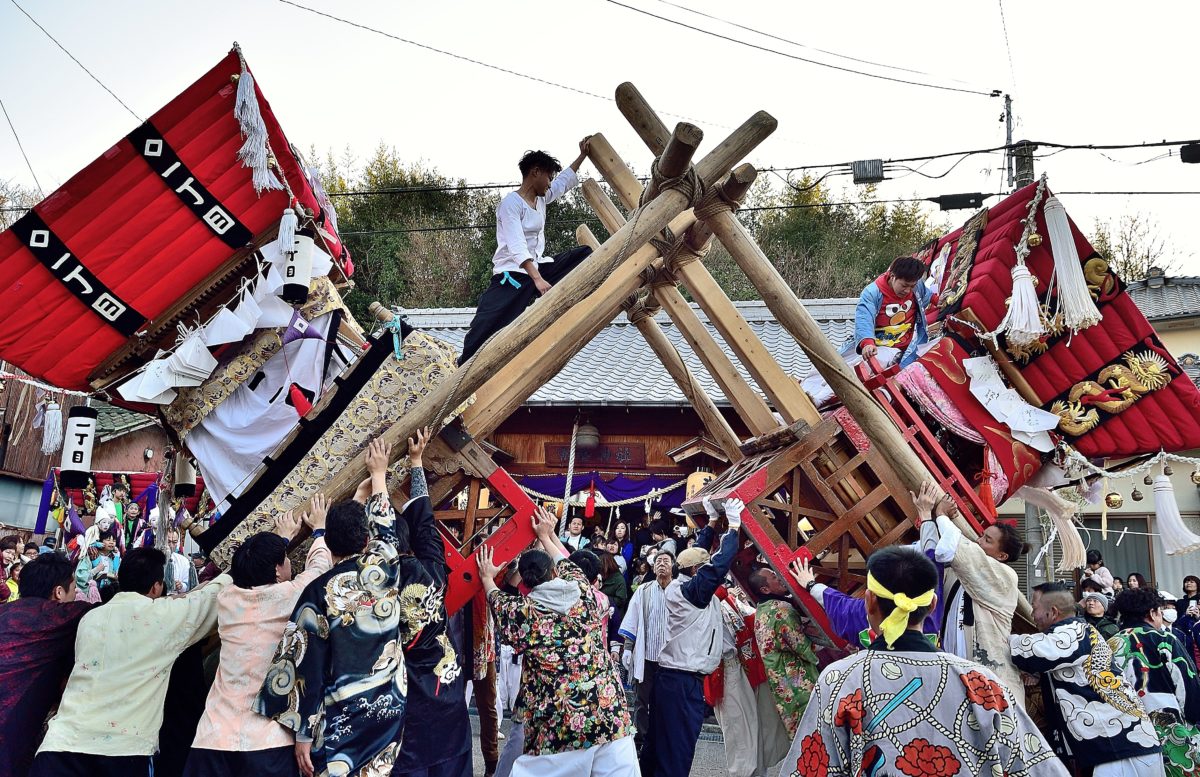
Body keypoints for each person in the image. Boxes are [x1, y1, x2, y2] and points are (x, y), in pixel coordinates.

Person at [256, 433, 461, 777]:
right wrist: (384, 473)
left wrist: (304, 731)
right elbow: (396, 532)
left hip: (344, 718)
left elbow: (306, 664)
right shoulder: (398, 569)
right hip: (401, 708)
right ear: (369, 542)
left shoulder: (319, 592)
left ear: (332, 548)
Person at [784, 546, 1066, 776]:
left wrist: (810, 584)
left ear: (869, 602)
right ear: (932, 606)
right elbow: (1037, 767)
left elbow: (811, 768)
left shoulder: (839, 680)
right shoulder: (982, 683)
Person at [31, 546, 233, 776]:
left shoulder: (90, 617)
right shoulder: (164, 616)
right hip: (123, 752)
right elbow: (210, 597)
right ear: (157, 587)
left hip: (60, 746)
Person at [479, 506, 637, 776]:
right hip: (609, 711)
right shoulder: (584, 593)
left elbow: (494, 595)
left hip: (560, 721)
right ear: (554, 573)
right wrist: (546, 535)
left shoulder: (522, 613)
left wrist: (486, 575)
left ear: (525, 583)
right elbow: (565, 561)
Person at [184, 499, 331, 777]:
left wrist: (280, 539)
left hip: (213, 737)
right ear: (277, 570)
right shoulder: (289, 596)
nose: (290, 565)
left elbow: (256, 571)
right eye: (286, 560)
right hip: (267, 742)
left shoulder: (227, 600)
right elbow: (319, 570)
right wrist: (320, 531)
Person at [459, 139, 594, 364]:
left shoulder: (541, 199)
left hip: (539, 267)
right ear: (535, 172)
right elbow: (517, 246)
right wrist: (538, 280)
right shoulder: (511, 204)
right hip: (512, 275)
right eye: (548, 177)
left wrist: (582, 156)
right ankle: (462, 366)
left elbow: (562, 184)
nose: (550, 184)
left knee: (584, 254)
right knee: (487, 325)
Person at [1010, 582, 1161, 776]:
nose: (1031, 615)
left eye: (1035, 608)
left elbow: (1032, 651)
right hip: (1115, 746)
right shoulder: (1075, 631)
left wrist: (1000, 635)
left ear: (1053, 612)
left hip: (1120, 747)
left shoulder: (1075, 631)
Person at [644, 497, 744, 777]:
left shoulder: (683, 581)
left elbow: (697, 553)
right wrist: (733, 526)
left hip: (670, 680)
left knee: (660, 747)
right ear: (696, 572)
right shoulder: (693, 593)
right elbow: (717, 566)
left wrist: (711, 523)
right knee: (677, 750)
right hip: (682, 683)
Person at [917, 483, 1029, 705]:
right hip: (955, 670)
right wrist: (925, 515)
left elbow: (954, 549)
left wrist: (941, 516)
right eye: (982, 535)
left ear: (1003, 555)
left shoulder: (1005, 577)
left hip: (992, 678)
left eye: (988, 540)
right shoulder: (959, 570)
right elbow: (933, 556)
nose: (979, 541)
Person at [0, 553, 92, 776]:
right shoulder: (64, 615)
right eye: (74, 590)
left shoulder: (5, 612)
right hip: (9, 736)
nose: (76, 596)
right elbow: (114, 612)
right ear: (59, 592)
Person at [1111, 586, 1200, 776]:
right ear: (1152, 613)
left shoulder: (1110, 644)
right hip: (1171, 731)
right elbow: (1186, 682)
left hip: (1126, 735)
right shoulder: (1165, 639)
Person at [711, 583, 789, 777]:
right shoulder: (704, 599)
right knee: (738, 728)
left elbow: (753, 617)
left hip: (744, 665)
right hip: (724, 669)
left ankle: (757, 772)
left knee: (760, 722)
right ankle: (744, 773)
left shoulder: (727, 598)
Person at [747, 566, 820, 738]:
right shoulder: (781, 609)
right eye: (774, 576)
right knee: (811, 723)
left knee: (797, 730)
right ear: (765, 589)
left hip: (779, 679)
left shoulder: (762, 609)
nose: (779, 577)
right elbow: (802, 647)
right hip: (795, 677)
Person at [619, 548, 673, 768]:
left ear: (673, 566)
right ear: (653, 566)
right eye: (658, 561)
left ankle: (662, 740)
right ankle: (640, 739)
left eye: (666, 561)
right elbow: (632, 619)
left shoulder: (679, 590)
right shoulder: (643, 590)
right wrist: (628, 648)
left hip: (671, 658)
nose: (662, 564)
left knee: (666, 702)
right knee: (642, 701)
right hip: (647, 656)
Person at [164, 527, 199, 594]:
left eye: (174, 542)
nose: (171, 545)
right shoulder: (150, 559)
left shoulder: (183, 561)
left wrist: (181, 586)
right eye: (168, 542)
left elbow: (188, 585)